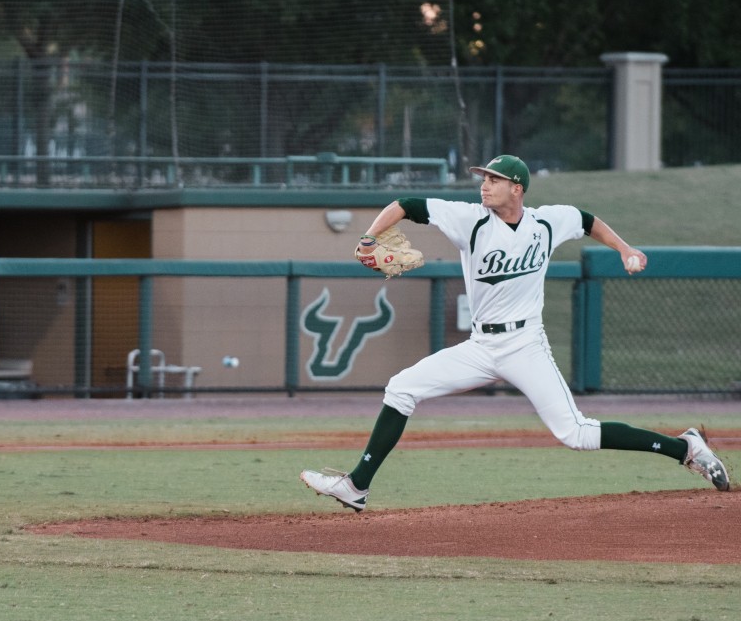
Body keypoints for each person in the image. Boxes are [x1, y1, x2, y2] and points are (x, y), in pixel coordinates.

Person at [300, 154, 730, 510]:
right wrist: (371, 235)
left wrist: (625, 248)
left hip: (525, 344)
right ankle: (356, 487)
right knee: (401, 388)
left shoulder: (546, 222)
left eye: (494, 180)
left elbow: (586, 220)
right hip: (481, 345)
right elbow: (408, 204)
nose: (484, 185)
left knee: (575, 434)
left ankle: (687, 448)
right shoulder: (470, 219)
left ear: (517, 189)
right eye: (484, 178)